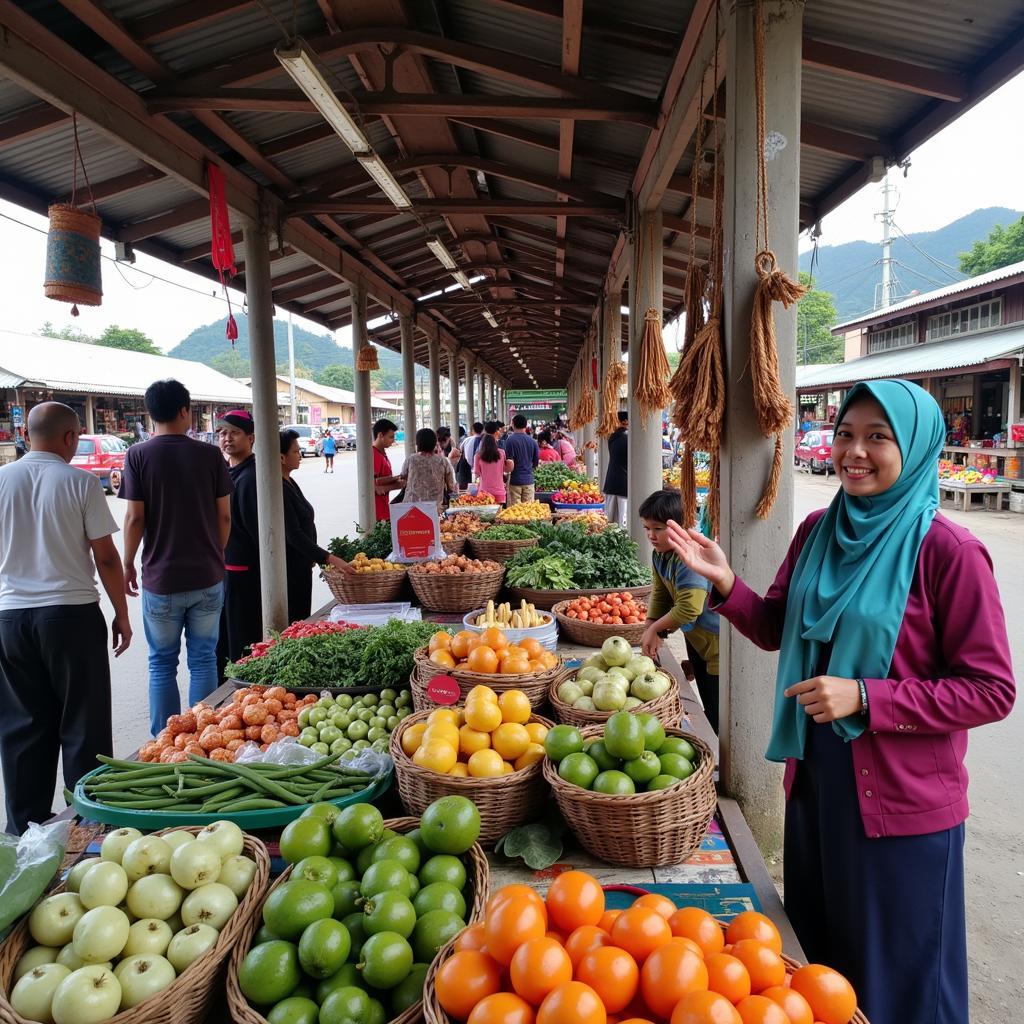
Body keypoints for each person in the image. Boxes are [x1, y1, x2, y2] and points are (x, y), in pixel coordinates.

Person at [664, 380, 1015, 1024]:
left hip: (903, 807)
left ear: (915, 446)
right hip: (818, 784)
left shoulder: (949, 552)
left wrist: (867, 698)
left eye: (878, 437)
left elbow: (991, 689)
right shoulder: (817, 533)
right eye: (847, 434)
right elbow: (776, 626)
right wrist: (725, 583)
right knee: (824, 968)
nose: (854, 451)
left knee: (905, 982)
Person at [0, 402, 131, 833]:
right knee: (83, 722)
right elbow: (107, 558)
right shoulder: (79, 483)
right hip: (70, 615)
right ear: (71, 437)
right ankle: (86, 823)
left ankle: (24, 832)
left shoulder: (1, 481)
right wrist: (122, 614)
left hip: (11, 620)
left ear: (26, 436)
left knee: (23, 725)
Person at [120, 379, 233, 737]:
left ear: (151, 413)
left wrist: (127, 563)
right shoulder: (210, 455)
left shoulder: (138, 455)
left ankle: (163, 741)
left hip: (161, 578)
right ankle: (203, 738)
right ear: (185, 411)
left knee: (161, 664)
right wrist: (216, 553)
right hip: (207, 577)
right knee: (203, 660)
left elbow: (135, 517)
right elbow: (224, 517)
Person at [638, 489, 720, 732]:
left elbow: (689, 607)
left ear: (679, 526)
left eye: (658, 528)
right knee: (703, 689)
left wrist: (657, 629)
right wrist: (651, 623)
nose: (651, 535)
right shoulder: (661, 555)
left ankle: (718, 755)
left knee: (717, 706)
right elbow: (662, 593)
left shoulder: (689, 557)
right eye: (647, 528)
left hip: (717, 643)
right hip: (696, 639)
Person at [279, 430, 354, 620]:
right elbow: (293, 534)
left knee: (302, 612)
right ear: (281, 457)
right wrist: (330, 558)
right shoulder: (278, 488)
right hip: (291, 567)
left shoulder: (290, 481)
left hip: (302, 563)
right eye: (296, 452)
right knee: (296, 616)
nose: (300, 456)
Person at [217, 410, 261, 665]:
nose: (227, 438)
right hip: (226, 569)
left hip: (244, 571)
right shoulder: (227, 473)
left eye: (234, 432)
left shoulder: (252, 476)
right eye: (222, 433)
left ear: (251, 437)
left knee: (243, 636)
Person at [403, 428, 457, 513]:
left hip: (411, 508)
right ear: (435, 443)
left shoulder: (411, 459)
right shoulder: (443, 461)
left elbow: (403, 478)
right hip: (434, 509)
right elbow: (451, 486)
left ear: (418, 443)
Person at [503, 414, 541, 505]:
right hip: (529, 481)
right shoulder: (533, 441)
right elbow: (536, 463)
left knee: (514, 512)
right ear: (526, 425)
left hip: (514, 481)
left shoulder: (510, 440)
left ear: (513, 424)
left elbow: (509, 462)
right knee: (528, 511)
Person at [372, 419, 402, 520]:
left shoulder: (382, 453)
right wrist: (396, 485)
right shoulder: (373, 454)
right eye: (391, 437)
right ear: (380, 435)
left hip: (384, 508)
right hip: (377, 512)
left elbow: (380, 479)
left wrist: (396, 478)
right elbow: (375, 486)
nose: (393, 441)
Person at [474, 431, 514, 505]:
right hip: (499, 491)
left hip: (484, 492)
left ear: (482, 444)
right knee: (499, 515)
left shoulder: (478, 456)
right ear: (495, 442)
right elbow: (505, 469)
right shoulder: (502, 453)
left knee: (486, 515)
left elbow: (477, 473)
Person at [603, 411, 629, 528]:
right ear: (625, 422)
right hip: (624, 485)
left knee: (611, 520)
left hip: (611, 483)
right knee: (622, 523)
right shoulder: (628, 439)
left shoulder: (612, 438)